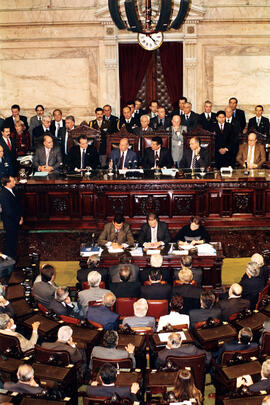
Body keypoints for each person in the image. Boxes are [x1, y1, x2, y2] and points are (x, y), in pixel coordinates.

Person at [0, 176, 23, 260]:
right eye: (13, 181)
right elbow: (8, 211)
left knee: (13, 240)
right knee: (10, 241)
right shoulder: (3, 194)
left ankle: (12, 257)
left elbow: (17, 205)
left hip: (15, 220)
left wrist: (20, 216)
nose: (15, 182)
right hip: (10, 222)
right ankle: (10, 260)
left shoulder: (12, 190)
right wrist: (18, 219)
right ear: (8, 183)